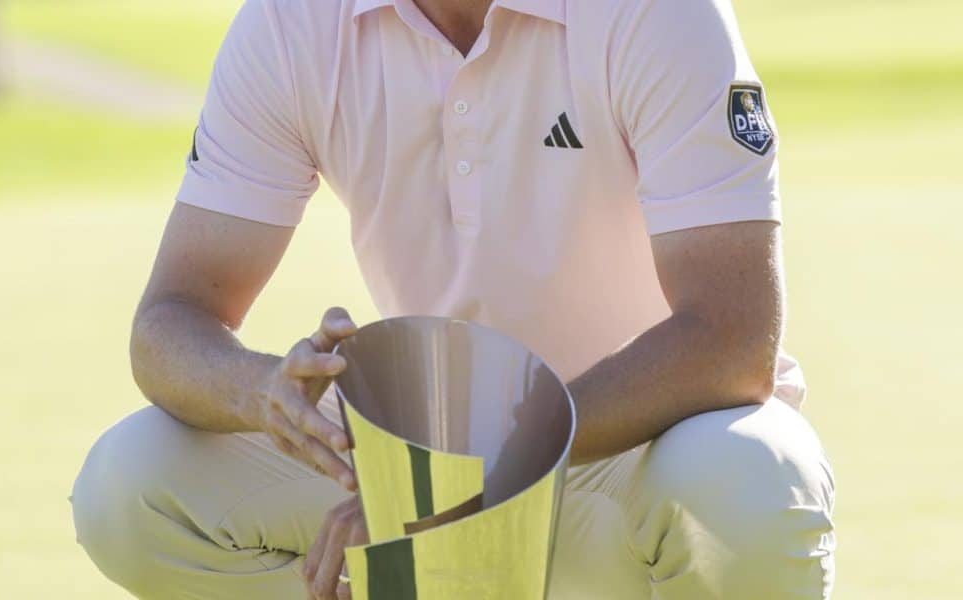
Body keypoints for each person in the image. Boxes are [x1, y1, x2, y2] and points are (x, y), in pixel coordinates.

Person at [71, 0, 836, 598]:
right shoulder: (291, 22)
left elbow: (733, 339)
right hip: (423, 461)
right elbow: (169, 321)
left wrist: (472, 477)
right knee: (132, 482)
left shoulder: (654, 11)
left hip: (630, 461)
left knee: (751, 477)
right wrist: (263, 392)